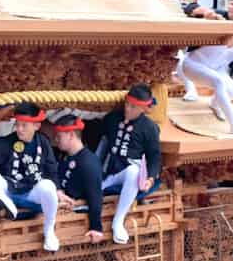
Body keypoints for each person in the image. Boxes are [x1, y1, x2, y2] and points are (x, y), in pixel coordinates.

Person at [0, 103, 61, 251]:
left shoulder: (43, 144)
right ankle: (4, 201)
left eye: (24, 125)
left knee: (48, 186)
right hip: (8, 191)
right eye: (17, 124)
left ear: (36, 126)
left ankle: (49, 230)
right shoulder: (6, 143)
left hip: (32, 195)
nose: (19, 129)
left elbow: (51, 171)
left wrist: (58, 190)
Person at [97, 85, 161, 244]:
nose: (127, 108)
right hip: (109, 170)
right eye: (127, 104)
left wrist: (150, 179)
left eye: (133, 107)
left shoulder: (149, 128)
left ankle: (118, 221)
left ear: (143, 109)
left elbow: (154, 156)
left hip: (130, 172)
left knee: (134, 172)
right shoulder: (113, 118)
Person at [51, 115, 105, 244]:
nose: (56, 140)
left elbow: (95, 196)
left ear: (70, 135)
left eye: (59, 136)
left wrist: (96, 227)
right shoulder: (63, 155)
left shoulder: (88, 162)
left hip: (71, 212)